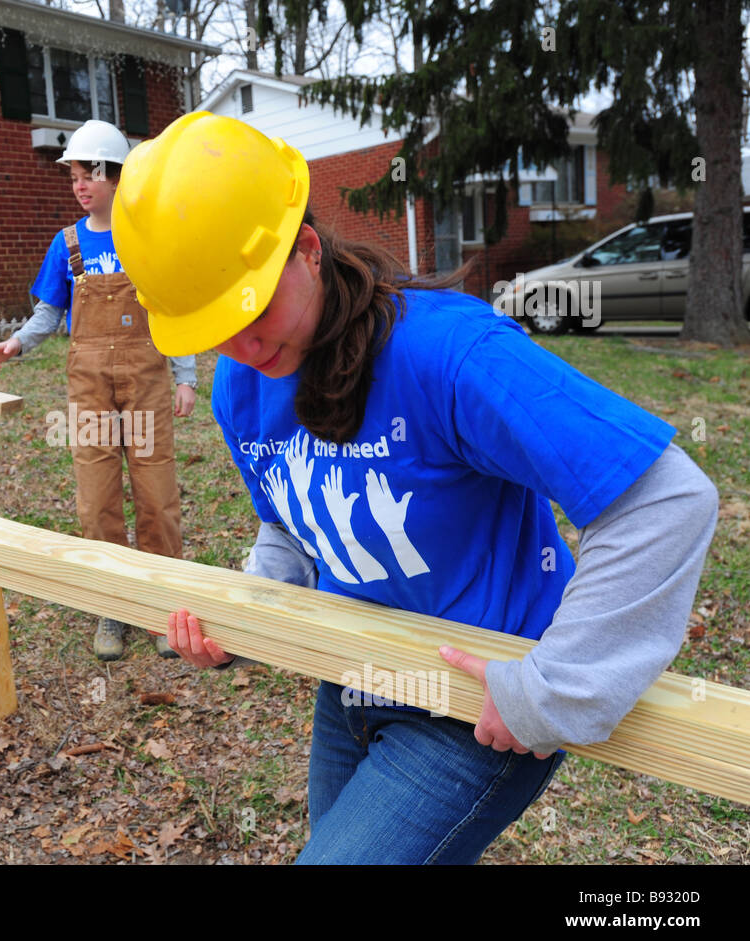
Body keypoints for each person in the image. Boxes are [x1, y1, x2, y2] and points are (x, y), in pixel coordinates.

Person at [116, 113, 719, 864]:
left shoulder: (448, 356)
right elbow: (292, 527)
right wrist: (247, 614)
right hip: (352, 679)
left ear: (306, 249)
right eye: (211, 328)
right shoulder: (241, 386)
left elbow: (666, 499)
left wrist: (551, 688)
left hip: (471, 703)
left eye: (252, 308)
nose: (240, 346)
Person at [0, 120, 199, 661]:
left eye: (92, 174)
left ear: (118, 177)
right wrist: (17, 343)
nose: (81, 185)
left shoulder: (145, 237)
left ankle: (162, 605)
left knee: (156, 492)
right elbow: (48, 313)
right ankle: (115, 604)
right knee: (97, 495)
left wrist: (186, 376)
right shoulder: (68, 244)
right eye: (75, 176)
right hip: (90, 386)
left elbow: (172, 308)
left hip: (147, 381)